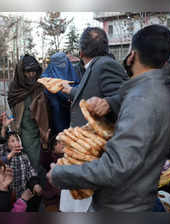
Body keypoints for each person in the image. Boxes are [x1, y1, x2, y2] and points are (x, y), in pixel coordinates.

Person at [47, 24, 170, 212]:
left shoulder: (142, 98)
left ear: (132, 54)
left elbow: (118, 167)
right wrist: (110, 103)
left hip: (123, 203)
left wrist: (62, 173)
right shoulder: (160, 89)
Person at [58, 27, 128, 212]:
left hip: (94, 152)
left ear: (81, 52)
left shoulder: (106, 65)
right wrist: (70, 90)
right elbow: (91, 94)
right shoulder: (96, 66)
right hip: (83, 153)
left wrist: (109, 103)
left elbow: (126, 97)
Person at [7, 54, 50, 181]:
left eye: (34, 71)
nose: (31, 74)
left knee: (37, 164)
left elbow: (46, 110)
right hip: (21, 131)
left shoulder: (39, 86)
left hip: (38, 131)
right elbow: (12, 105)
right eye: (28, 72)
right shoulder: (15, 88)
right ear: (21, 72)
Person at [0, 118, 43, 211]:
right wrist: (4, 128)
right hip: (8, 196)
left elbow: (30, 172)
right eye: (12, 141)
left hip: (22, 195)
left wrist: (35, 184)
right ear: (7, 145)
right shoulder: (5, 154)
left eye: (18, 140)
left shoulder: (24, 156)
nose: (17, 143)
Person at [41, 52, 81, 136]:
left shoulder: (75, 73)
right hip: (55, 118)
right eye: (58, 64)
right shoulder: (46, 78)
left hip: (74, 115)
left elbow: (78, 88)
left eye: (63, 63)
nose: (61, 66)